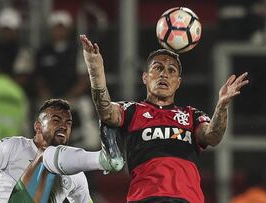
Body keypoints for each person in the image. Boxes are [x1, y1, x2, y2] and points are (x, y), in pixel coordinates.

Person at [80, 34, 249, 203]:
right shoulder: (132, 110)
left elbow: (213, 136)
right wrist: (96, 71)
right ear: (145, 77)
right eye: (158, 68)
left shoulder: (191, 115)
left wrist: (222, 106)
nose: (164, 75)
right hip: (146, 198)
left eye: (171, 71)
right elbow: (106, 112)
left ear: (178, 82)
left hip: (187, 199)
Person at [0, 99, 122, 203]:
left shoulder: (75, 172)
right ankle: (103, 159)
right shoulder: (13, 146)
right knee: (46, 156)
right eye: (56, 120)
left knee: (52, 157)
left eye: (68, 123)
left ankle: (103, 159)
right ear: (38, 127)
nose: (64, 125)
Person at [35, 10, 99, 150]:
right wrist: (50, 99)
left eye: (62, 27)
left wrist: (67, 98)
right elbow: (39, 79)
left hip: (74, 98)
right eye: (56, 27)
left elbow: (84, 79)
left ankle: (91, 149)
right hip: (49, 99)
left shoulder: (77, 50)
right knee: (38, 111)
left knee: (86, 109)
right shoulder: (43, 52)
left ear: (68, 29)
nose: (59, 31)